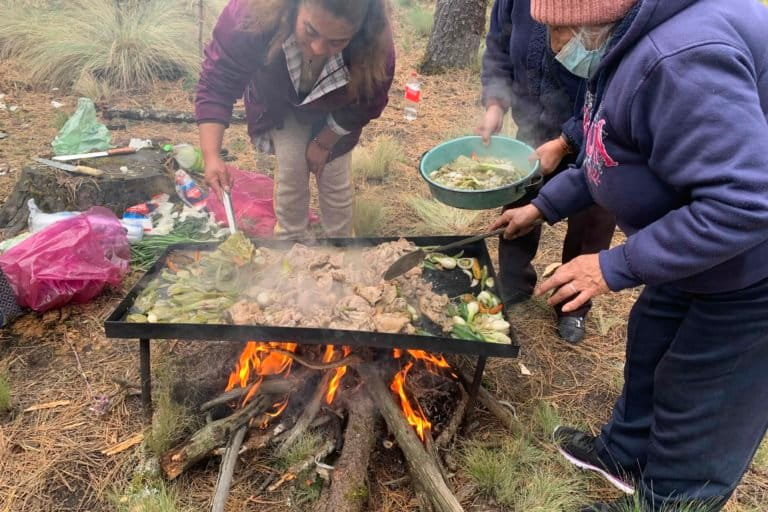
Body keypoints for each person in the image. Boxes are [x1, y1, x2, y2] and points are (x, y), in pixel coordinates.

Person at [492, 0, 768, 510]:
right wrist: (542, 207)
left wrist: (610, 266)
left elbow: (743, 204)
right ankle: (623, 453)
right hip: (694, 241)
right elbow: (612, 146)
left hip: (752, 264)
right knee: (651, 344)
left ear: (593, 17)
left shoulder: (681, 59)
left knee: (703, 391)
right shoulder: (626, 43)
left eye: (558, 31)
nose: (555, 49)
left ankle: (670, 498)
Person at [477, 0, 616, 344]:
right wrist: (495, 103)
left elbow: (611, 91)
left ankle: (572, 307)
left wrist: (567, 141)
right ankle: (513, 284)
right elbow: (498, 43)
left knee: (590, 226)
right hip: (532, 130)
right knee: (518, 207)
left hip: (599, 135)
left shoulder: (609, 9)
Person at [196, 0, 394, 239]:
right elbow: (218, 80)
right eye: (310, 30)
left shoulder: (374, 42)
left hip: (339, 108)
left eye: (337, 41)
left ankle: (343, 246)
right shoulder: (250, 15)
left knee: (334, 176)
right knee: (291, 167)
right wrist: (211, 155)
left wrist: (324, 143)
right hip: (281, 102)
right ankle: (289, 243)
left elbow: (369, 101)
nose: (318, 48)